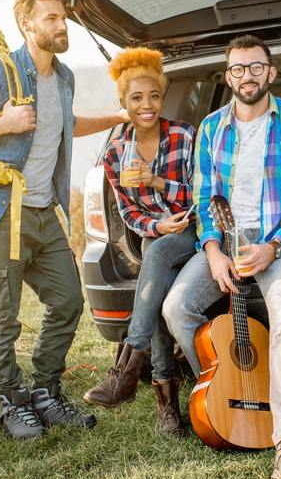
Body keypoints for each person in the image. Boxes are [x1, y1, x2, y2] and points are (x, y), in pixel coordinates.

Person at [0, 0, 126, 441]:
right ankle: (10, 400)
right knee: (2, 317)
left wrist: (116, 119)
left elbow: (65, 124)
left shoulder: (65, 77)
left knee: (69, 301)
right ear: (26, 23)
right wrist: (3, 123)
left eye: (63, 18)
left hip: (43, 212)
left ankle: (45, 392)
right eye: (52, 18)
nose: (62, 26)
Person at [161, 34, 281, 479]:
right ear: (227, 75)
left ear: (270, 72)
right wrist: (213, 251)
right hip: (225, 243)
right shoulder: (211, 129)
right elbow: (204, 196)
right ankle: (226, 393)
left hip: (278, 243)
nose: (246, 76)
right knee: (176, 308)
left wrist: (275, 246)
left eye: (256, 67)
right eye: (237, 68)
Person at [83, 47, 197, 437]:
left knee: (158, 257)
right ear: (123, 103)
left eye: (154, 96)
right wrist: (155, 226)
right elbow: (129, 214)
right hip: (157, 237)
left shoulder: (184, 135)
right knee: (159, 289)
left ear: (162, 98)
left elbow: (200, 195)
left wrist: (156, 182)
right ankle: (168, 411)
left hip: (193, 230)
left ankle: (126, 370)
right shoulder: (115, 153)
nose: (146, 105)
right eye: (136, 98)